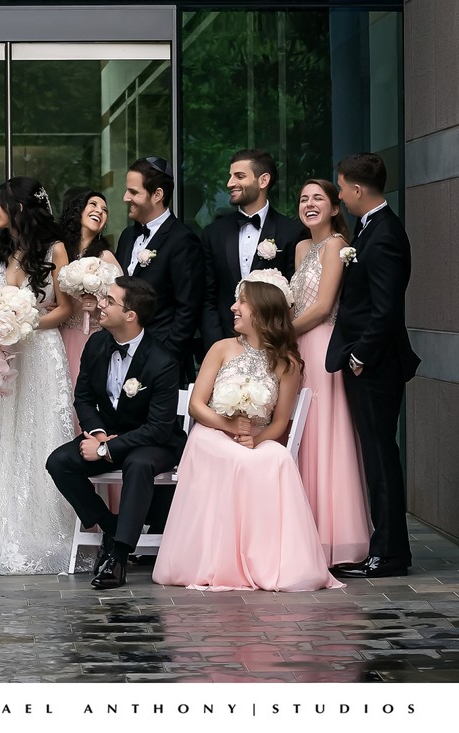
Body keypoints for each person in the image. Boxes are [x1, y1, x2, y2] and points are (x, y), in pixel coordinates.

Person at [152, 273, 343, 592]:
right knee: (241, 461)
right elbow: (198, 405)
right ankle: (225, 561)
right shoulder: (222, 348)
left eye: (242, 302)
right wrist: (228, 426)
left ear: (264, 311)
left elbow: (280, 423)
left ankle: (272, 560)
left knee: (279, 458)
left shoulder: (287, 363)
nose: (233, 308)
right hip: (211, 435)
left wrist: (255, 440)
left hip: (255, 439)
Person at [0, 176, 78, 575]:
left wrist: (24, 323)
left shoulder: (55, 250)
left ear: (19, 207)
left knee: (35, 433)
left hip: (38, 352)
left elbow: (64, 309)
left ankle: (32, 534)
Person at [47, 276, 186, 589]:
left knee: (138, 464)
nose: (101, 305)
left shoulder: (162, 361)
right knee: (59, 461)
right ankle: (111, 526)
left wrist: (107, 450)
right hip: (107, 435)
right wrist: (96, 433)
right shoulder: (97, 343)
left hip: (154, 441)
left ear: (130, 315)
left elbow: (159, 427)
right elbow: (82, 397)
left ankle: (119, 557)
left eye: (109, 301)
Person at [327, 153, 421, 579]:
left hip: (375, 366)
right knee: (376, 455)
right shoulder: (371, 229)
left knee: (381, 456)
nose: (341, 196)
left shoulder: (383, 234)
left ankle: (390, 555)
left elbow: (385, 309)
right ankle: (384, 549)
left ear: (357, 189)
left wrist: (360, 356)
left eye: (342, 188)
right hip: (369, 362)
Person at [289, 179, 370, 566]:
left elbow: (322, 307)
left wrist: (278, 333)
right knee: (301, 436)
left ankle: (335, 537)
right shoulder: (303, 247)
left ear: (335, 207)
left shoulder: (338, 245)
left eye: (318, 198)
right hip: (297, 349)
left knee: (325, 433)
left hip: (321, 344)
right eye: (304, 199)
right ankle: (303, 531)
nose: (309, 204)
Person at [201, 148, 306, 350]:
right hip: (226, 343)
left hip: (275, 344)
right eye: (230, 176)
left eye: (239, 176)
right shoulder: (213, 233)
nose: (230, 183)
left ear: (263, 180)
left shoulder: (292, 232)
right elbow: (208, 298)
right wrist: (218, 345)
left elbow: (295, 297)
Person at [114, 157, 202, 384]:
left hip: (160, 358)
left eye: (134, 192)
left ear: (157, 195)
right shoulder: (126, 236)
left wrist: (166, 356)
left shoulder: (182, 239)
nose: (126, 198)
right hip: (122, 354)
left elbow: (188, 307)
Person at [58, 190, 123, 386]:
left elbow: (123, 303)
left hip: (92, 337)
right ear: (78, 211)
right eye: (93, 205)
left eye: (105, 209)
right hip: (61, 336)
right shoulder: (61, 252)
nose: (99, 211)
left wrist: (98, 306)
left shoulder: (105, 257)